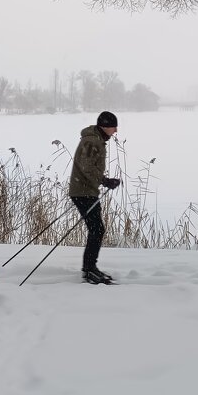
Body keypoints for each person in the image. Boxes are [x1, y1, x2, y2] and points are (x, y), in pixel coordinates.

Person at [68, 110, 121, 284]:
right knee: (97, 229)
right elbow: (86, 167)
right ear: (104, 126)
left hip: (87, 190)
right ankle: (89, 270)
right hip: (83, 191)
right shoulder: (91, 141)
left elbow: (89, 168)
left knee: (97, 229)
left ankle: (91, 268)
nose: (115, 131)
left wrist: (104, 181)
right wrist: (105, 181)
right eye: (113, 127)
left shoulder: (96, 139)